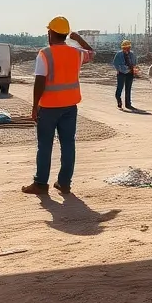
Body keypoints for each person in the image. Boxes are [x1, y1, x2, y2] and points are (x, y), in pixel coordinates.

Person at [22, 16, 94, 196]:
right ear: (65, 34)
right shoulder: (76, 53)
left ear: (50, 33)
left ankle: (40, 184)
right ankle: (64, 183)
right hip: (70, 107)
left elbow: (40, 81)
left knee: (45, 146)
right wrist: (77, 39)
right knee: (68, 145)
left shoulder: (45, 54)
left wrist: (34, 106)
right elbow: (92, 53)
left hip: (48, 107)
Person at [113, 39, 137, 110]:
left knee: (128, 89)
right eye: (126, 47)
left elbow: (134, 63)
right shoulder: (119, 54)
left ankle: (128, 104)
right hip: (121, 73)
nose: (127, 49)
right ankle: (119, 101)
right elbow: (115, 63)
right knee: (120, 88)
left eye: (128, 47)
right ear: (123, 48)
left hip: (130, 73)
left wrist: (133, 69)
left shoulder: (132, 54)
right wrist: (119, 69)